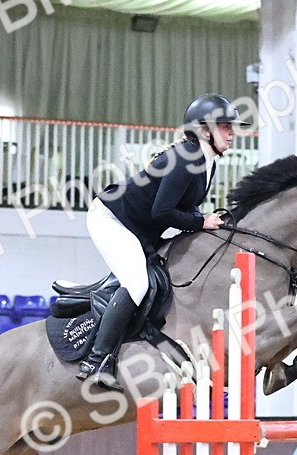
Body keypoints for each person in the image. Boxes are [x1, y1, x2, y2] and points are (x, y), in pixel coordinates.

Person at [79, 94, 243, 391]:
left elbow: (184, 207)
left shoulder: (207, 163)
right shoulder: (186, 158)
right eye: (225, 126)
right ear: (205, 130)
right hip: (111, 218)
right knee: (137, 282)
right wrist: (202, 222)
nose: (232, 133)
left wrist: (208, 221)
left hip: (138, 228)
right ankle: (96, 360)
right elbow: (162, 212)